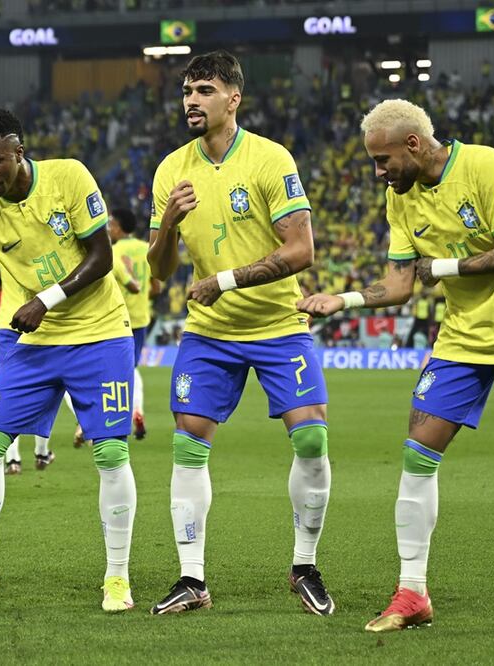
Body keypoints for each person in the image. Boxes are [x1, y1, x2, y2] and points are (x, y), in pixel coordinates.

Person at [298, 99, 494, 634]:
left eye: (383, 161)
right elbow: (401, 284)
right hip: (460, 343)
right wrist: (343, 300)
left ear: (413, 145)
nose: (378, 173)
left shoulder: (486, 166)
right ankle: (412, 592)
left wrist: (440, 266)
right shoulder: (400, 200)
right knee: (417, 457)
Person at [0, 107, 137, 612]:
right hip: (33, 344)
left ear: (18, 152)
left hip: (100, 333)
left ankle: (117, 578)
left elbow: (102, 257)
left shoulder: (68, 176)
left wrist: (46, 300)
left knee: (109, 453)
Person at [147, 51, 334, 616]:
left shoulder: (270, 159)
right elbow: (159, 270)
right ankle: (192, 578)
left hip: (279, 323)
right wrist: (171, 226)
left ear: (233, 98)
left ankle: (304, 564)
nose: (190, 100)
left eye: (203, 89)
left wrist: (225, 279)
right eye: (186, 91)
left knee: (312, 440)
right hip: (210, 333)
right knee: (187, 444)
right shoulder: (170, 171)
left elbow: (301, 250)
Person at [0, 274, 57, 474]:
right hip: (40, 320)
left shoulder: (1, 252)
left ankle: (12, 460)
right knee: (49, 389)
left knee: (5, 392)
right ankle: (42, 452)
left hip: (7, 324)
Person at [109, 208, 160, 440]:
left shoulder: (112, 252)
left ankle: (114, 418)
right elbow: (156, 289)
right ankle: (137, 410)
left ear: (119, 227)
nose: (109, 228)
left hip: (116, 318)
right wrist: (141, 299)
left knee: (115, 369)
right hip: (141, 318)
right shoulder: (146, 250)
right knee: (132, 366)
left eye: (111, 224)